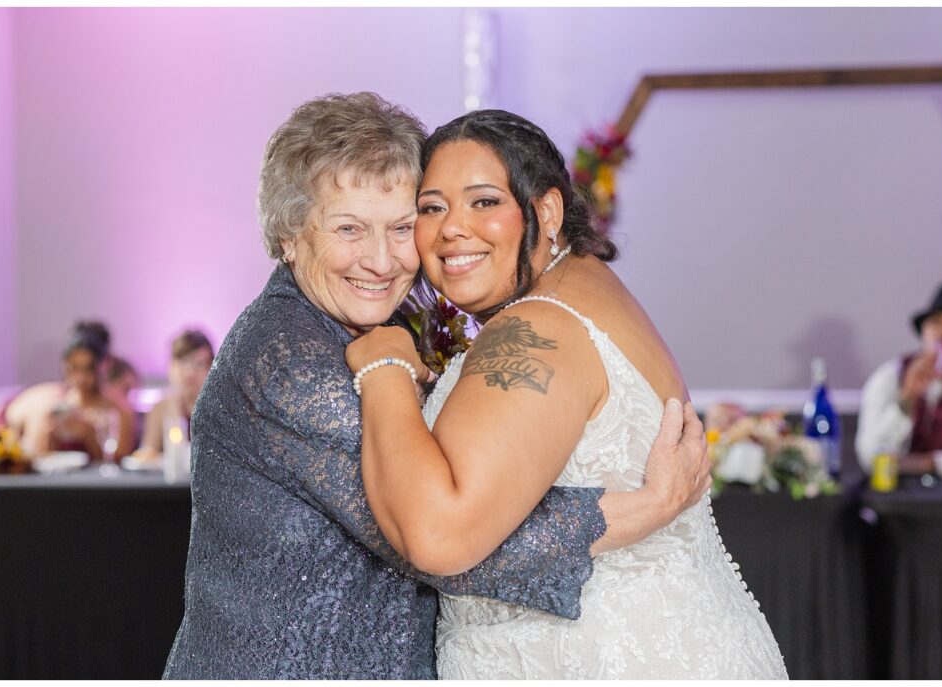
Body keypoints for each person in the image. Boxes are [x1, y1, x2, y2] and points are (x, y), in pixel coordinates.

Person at [162, 93, 710, 679]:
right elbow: (441, 537)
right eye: (349, 229)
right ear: (289, 237)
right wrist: (644, 509)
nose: (380, 261)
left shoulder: (382, 325)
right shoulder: (291, 361)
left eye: (401, 227)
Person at [345, 109, 787, 679]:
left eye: (484, 202)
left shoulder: (540, 330)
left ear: (546, 210)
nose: (452, 228)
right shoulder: (586, 289)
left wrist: (383, 368)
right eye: (432, 208)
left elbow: (437, 535)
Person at [0, 321, 136, 463]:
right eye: (73, 368)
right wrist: (47, 435)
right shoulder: (53, 402)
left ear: (104, 365)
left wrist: (89, 435)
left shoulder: (118, 409)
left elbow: (118, 465)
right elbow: (37, 457)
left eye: (89, 369)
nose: (81, 378)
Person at [856, 284, 942, 474]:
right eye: (937, 323)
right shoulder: (890, 377)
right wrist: (907, 398)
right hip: (899, 498)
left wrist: (932, 463)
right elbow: (869, 456)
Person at [134, 329, 214, 459]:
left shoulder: (219, 409)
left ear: (211, 368)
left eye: (198, 364)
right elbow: (147, 454)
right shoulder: (160, 408)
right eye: (183, 362)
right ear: (171, 366)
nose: (189, 372)